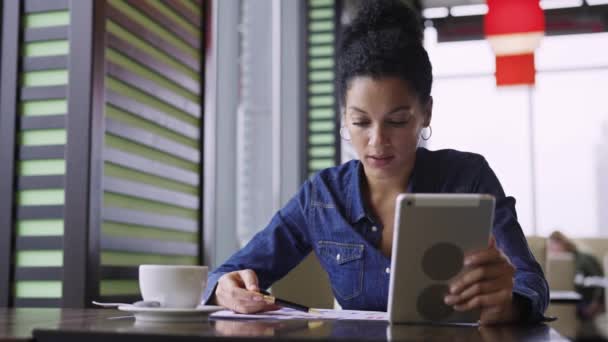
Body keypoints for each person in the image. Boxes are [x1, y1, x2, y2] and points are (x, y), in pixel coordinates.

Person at [203, 0, 548, 324]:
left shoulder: (467, 178)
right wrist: (225, 288)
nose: (377, 141)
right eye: (361, 122)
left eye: (397, 121)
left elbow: (530, 282)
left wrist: (507, 302)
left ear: (425, 112)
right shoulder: (322, 197)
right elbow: (232, 272)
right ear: (343, 116)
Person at [548, 230, 605, 319]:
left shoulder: (583, 259)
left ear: (563, 243)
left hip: (590, 303)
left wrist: (596, 303)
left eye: (553, 245)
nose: (551, 250)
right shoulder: (559, 267)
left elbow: (599, 281)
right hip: (579, 304)